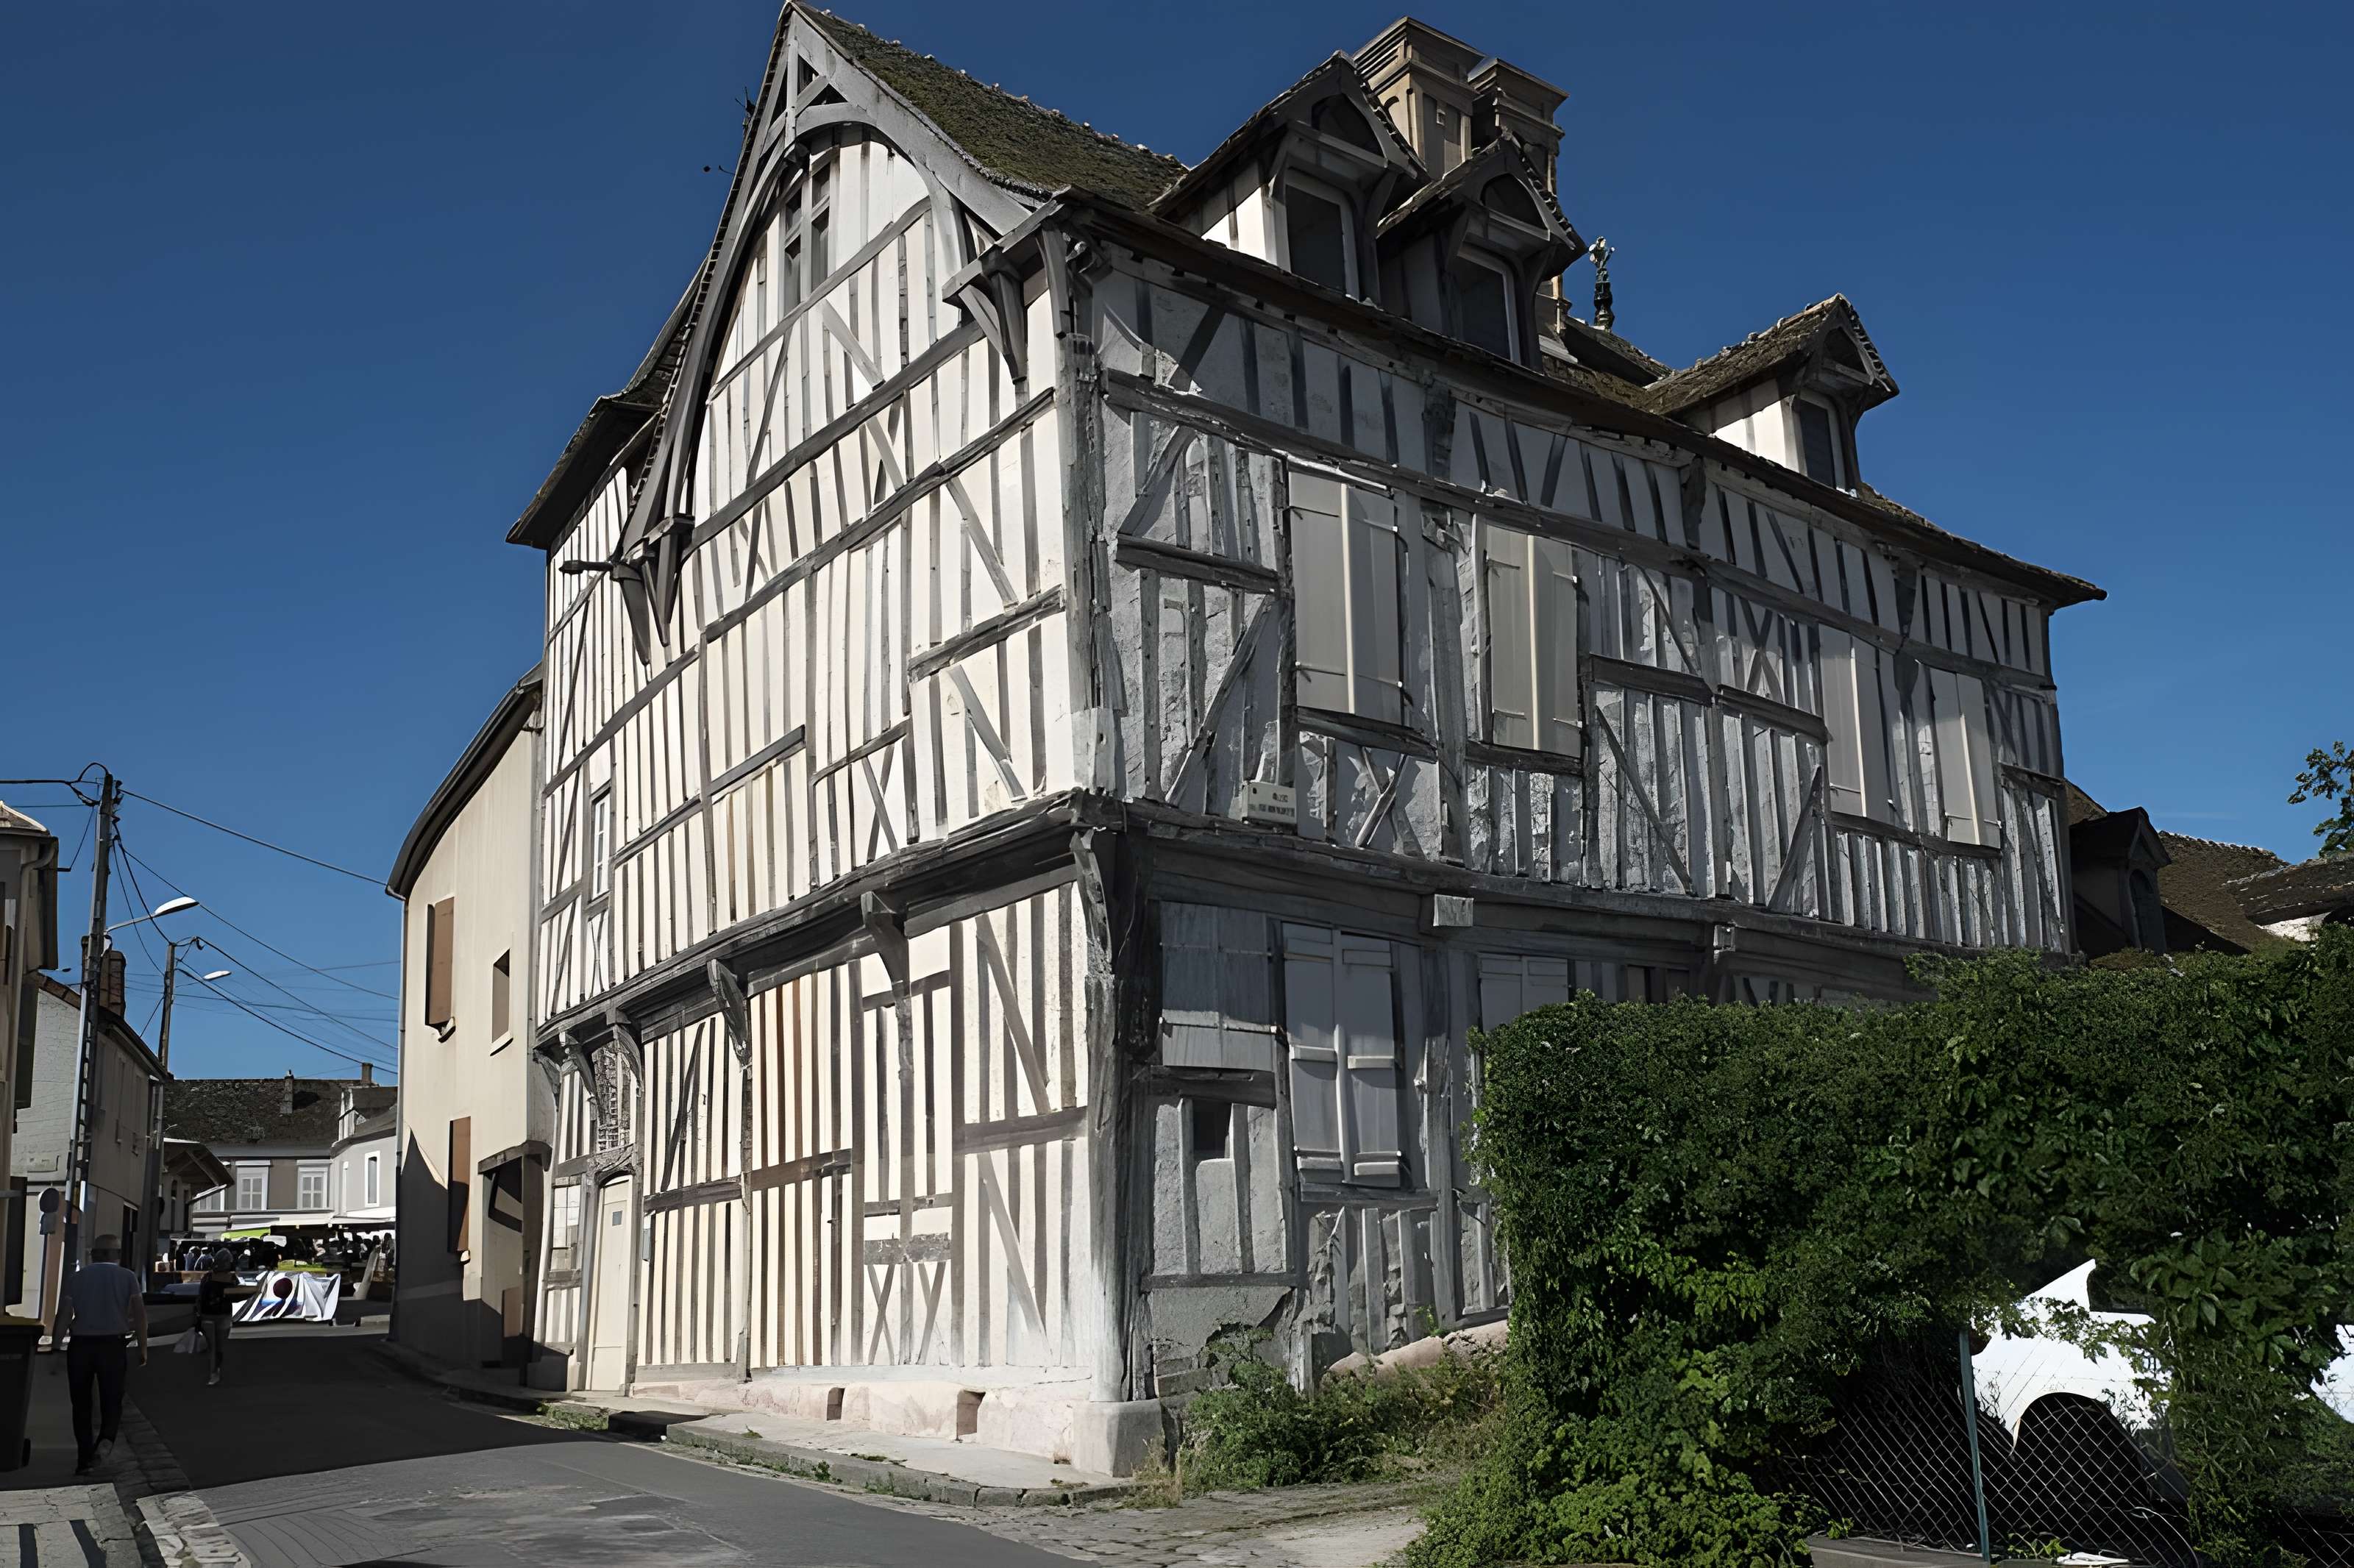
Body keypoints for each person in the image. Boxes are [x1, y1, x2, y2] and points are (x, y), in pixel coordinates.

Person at [53, 1236, 149, 1475]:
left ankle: (84, 1457)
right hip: (112, 1345)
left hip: (81, 1345)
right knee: (112, 1398)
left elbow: (64, 1313)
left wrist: (56, 1347)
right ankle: (106, 1439)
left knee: (81, 1403)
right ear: (116, 1254)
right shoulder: (127, 1277)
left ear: (94, 1254)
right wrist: (143, 1347)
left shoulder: (77, 1278)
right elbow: (139, 1314)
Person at [195, 1258, 237, 1386]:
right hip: (224, 1314)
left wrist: (198, 1313)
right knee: (218, 1347)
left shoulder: (207, 1277)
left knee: (212, 1346)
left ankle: (213, 1372)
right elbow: (238, 1293)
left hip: (208, 1314)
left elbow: (200, 1295)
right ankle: (215, 1372)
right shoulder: (232, 1278)